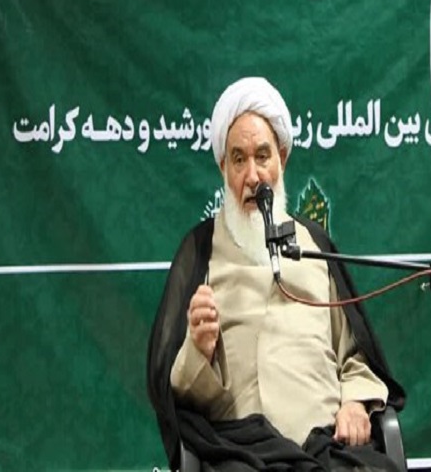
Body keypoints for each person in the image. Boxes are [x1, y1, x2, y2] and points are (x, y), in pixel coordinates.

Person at [147, 77, 405, 471]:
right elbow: (179, 397)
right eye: (239, 159)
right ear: (223, 168)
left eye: (262, 156)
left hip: (325, 447)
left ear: (281, 159)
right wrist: (199, 349)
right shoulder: (200, 252)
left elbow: (354, 355)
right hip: (245, 452)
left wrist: (354, 401)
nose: (253, 176)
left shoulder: (314, 244)